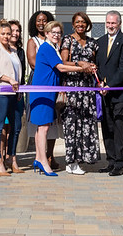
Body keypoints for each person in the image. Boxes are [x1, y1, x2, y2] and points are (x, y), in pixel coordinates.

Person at [29, 20, 90, 176]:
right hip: (43, 91)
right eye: (53, 32)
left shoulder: (53, 48)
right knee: (43, 128)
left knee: (41, 127)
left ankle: (38, 158)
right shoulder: (47, 48)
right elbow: (61, 67)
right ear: (47, 34)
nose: (56, 35)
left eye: (59, 33)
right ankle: (43, 161)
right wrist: (82, 68)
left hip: (48, 91)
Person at [59, 12, 100, 175]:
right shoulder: (67, 40)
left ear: (88, 24)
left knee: (86, 123)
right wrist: (80, 64)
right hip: (73, 86)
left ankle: (83, 158)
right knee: (72, 124)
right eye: (77, 22)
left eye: (83, 22)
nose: (80, 24)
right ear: (73, 24)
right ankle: (70, 161)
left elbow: (96, 63)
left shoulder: (92, 42)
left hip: (88, 88)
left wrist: (93, 68)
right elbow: (62, 62)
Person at [95, 10, 123, 176]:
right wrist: (100, 84)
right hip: (103, 93)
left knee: (118, 126)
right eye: (108, 23)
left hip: (118, 93)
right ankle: (110, 161)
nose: (110, 26)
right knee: (106, 126)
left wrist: (109, 85)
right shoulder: (100, 42)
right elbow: (97, 66)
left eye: (113, 23)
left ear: (119, 23)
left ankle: (119, 163)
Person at [0, 20, 22, 176]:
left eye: (9, 33)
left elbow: (18, 73)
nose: (7, 36)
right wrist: (9, 79)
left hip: (14, 94)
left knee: (16, 127)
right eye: (3, 34)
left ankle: (11, 157)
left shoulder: (13, 51)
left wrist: (19, 87)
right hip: (0, 93)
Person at [26, 10, 59, 170]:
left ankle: (48, 156)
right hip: (41, 81)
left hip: (53, 82)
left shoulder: (54, 43)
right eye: (38, 20)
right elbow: (33, 63)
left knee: (50, 123)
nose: (40, 22)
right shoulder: (35, 42)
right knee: (41, 123)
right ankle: (40, 157)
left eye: (44, 20)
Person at [0, 19, 27, 172]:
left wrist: (20, 90)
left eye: (18, 31)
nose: (15, 33)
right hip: (4, 93)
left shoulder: (20, 51)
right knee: (3, 127)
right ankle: (1, 157)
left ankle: (12, 157)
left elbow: (21, 74)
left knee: (15, 127)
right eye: (13, 30)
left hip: (17, 93)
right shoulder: (1, 49)